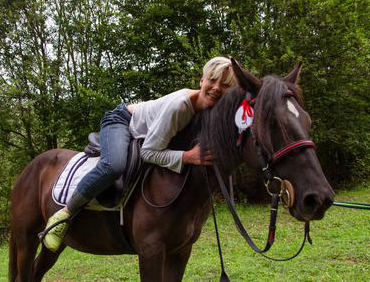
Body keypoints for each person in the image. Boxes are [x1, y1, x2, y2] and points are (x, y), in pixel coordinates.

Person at [43, 57, 238, 252]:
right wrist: (187, 157)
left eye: (225, 84)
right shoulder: (179, 106)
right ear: (202, 80)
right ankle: (63, 215)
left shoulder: (212, 110)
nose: (216, 88)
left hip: (145, 134)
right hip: (122, 121)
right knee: (113, 165)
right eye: (212, 80)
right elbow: (149, 152)